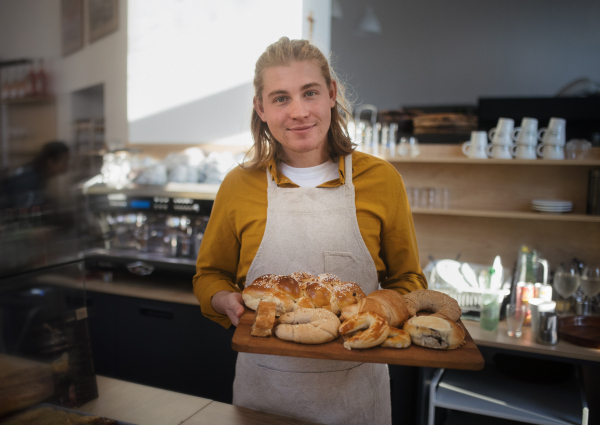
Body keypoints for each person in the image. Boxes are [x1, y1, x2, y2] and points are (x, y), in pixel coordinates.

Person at [193, 37, 427, 425]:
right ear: (261, 108)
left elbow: (409, 279)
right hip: (264, 390)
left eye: (310, 92)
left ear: (332, 94)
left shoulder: (381, 179)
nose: (299, 111)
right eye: (281, 98)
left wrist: (373, 312)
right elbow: (209, 275)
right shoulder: (238, 185)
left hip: (356, 387)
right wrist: (224, 301)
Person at [0, 140, 69, 209]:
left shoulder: (39, 175)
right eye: (65, 160)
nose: (67, 164)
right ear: (50, 162)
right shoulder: (31, 179)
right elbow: (22, 211)